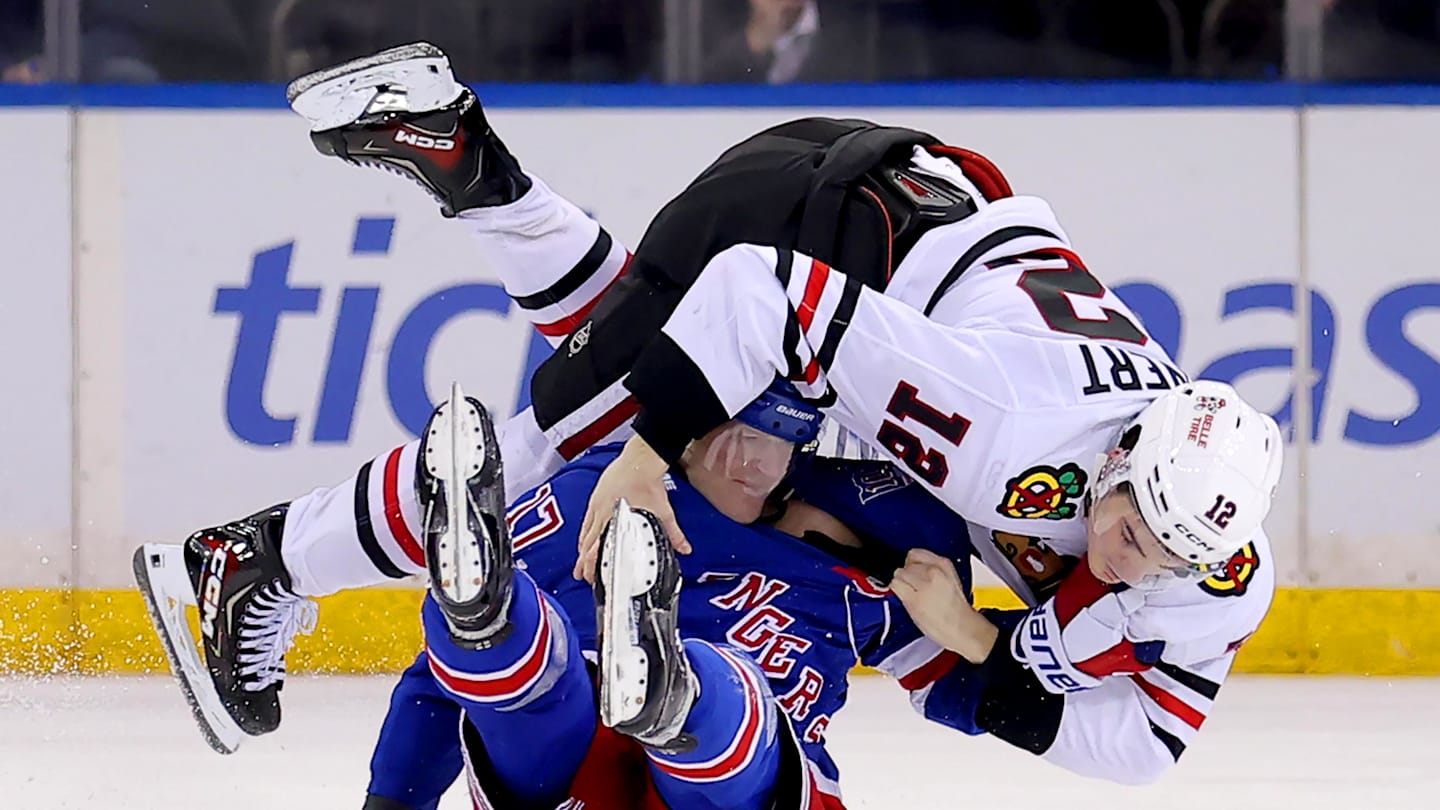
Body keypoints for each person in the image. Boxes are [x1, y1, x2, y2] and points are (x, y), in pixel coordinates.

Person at [134, 42, 1282, 786]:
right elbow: (758, 295)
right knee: (566, 450)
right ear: (1120, 455)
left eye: (1171, 552)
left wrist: (981, 642)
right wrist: (644, 457)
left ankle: (473, 167)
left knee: (606, 347)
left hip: (909, 205)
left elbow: (1144, 746)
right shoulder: (999, 429)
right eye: (1133, 521)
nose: (1136, 561)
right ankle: (254, 559)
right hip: (828, 220)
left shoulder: (1215, 567)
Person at [356, 380, 968, 809]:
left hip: (626, 778)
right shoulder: (597, 498)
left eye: (774, 439)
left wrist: (966, 628)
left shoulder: (888, 567)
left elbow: (998, 696)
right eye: (729, 432)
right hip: (670, 763)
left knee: (537, 694)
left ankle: (502, 628)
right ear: (682, 432)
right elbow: (437, 683)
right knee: (572, 692)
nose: (745, 462)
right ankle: (512, 624)